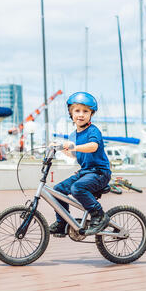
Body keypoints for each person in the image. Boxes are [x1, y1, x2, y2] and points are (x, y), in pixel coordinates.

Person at [49, 92, 111, 236]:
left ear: (91, 114)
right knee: (58, 190)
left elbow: (93, 146)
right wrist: (59, 148)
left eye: (85, 111)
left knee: (77, 188)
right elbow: (73, 154)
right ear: (71, 113)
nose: (81, 114)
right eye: (77, 111)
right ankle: (62, 221)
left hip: (99, 172)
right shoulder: (73, 135)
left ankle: (99, 215)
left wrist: (74, 147)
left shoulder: (93, 130)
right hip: (85, 172)